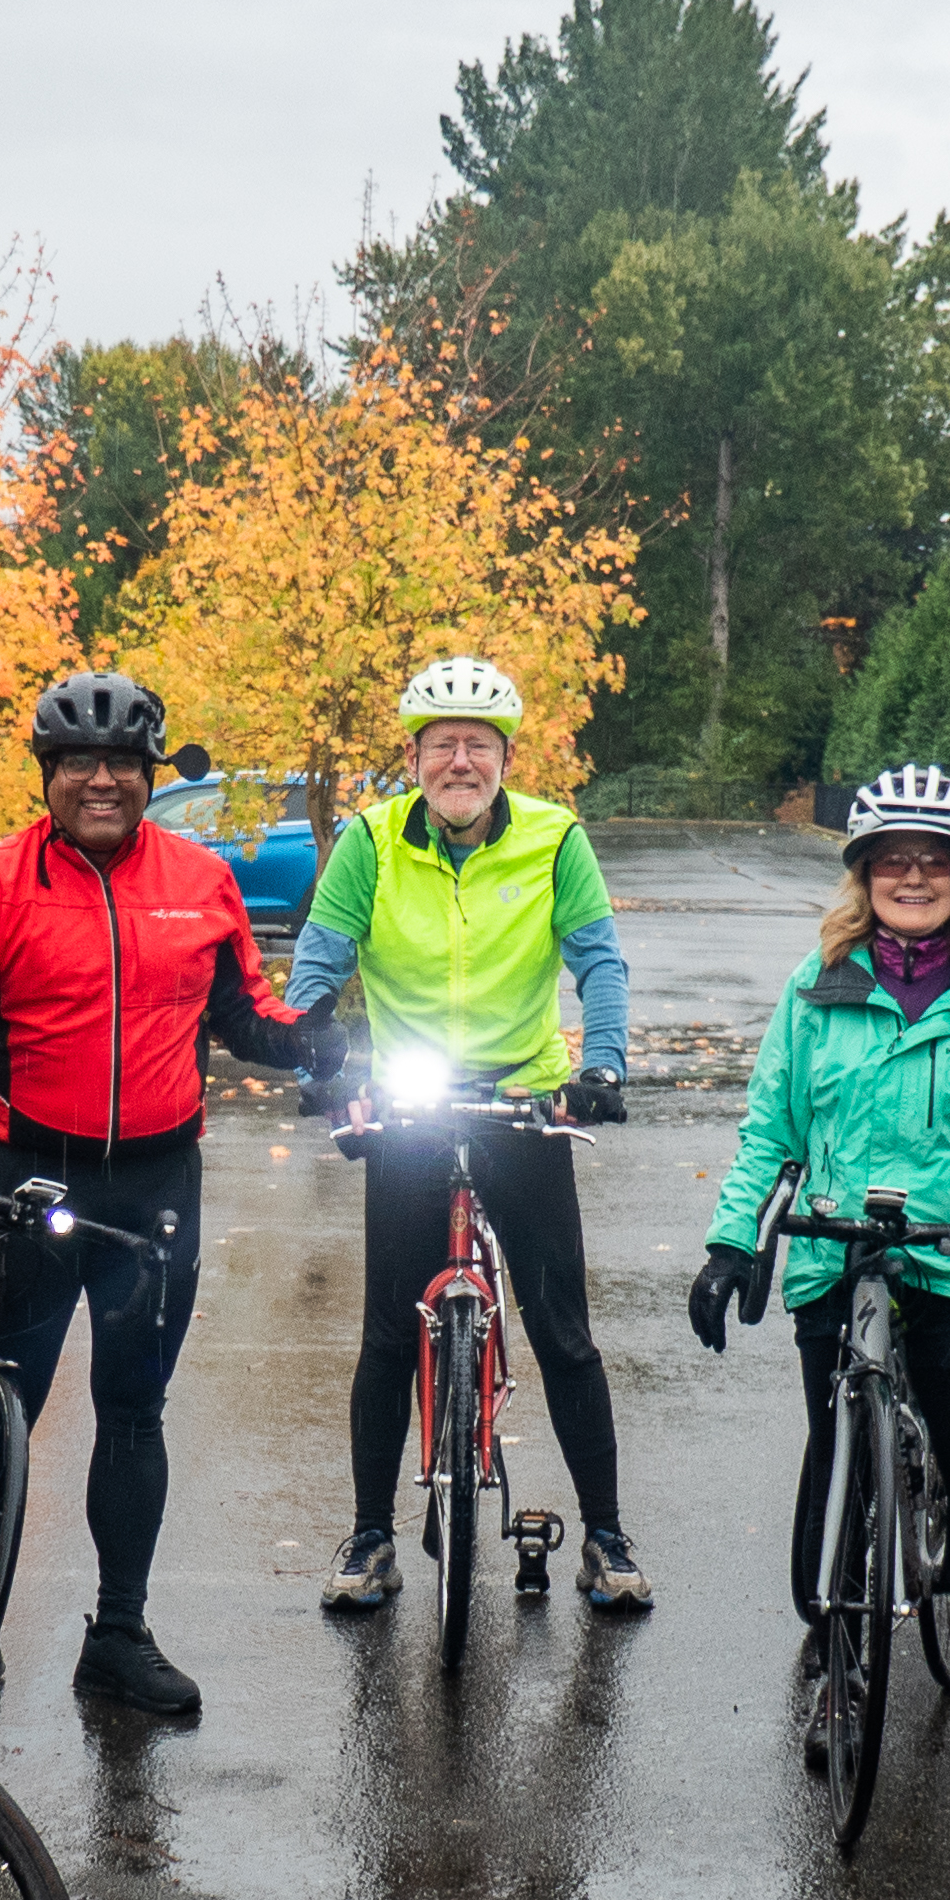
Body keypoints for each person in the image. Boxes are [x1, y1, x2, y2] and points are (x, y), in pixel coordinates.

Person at [0, 670, 328, 1717]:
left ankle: (119, 1635)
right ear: (48, 776)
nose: (101, 782)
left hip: (157, 1185)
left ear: (147, 775)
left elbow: (246, 1015)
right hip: (30, 1173)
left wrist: (315, 1047)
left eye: (122, 765)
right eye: (79, 764)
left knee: (133, 1410)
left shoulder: (200, 879)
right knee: (3, 1404)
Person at [692, 763, 950, 1785]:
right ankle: (837, 1659)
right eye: (892, 861)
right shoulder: (815, 986)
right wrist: (733, 1245)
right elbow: (769, 1129)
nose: (913, 877)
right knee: (838, 1456)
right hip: (834, 1248)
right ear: (863, 875)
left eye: (933, 861)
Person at [288, 656, 647, 1614]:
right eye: (441, 743)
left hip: (522, 1099)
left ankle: (606, 1537)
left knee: (563, 1332)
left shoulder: (554, 838)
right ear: (413, 756)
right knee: (383, 1335)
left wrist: (600, 1066)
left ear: (504, 758)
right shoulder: (368, 841)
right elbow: (316, 965)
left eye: (477, 745)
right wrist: (321, 1070)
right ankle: (370, 1537)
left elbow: (598, 960)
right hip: (409, 1106)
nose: (459, 759)